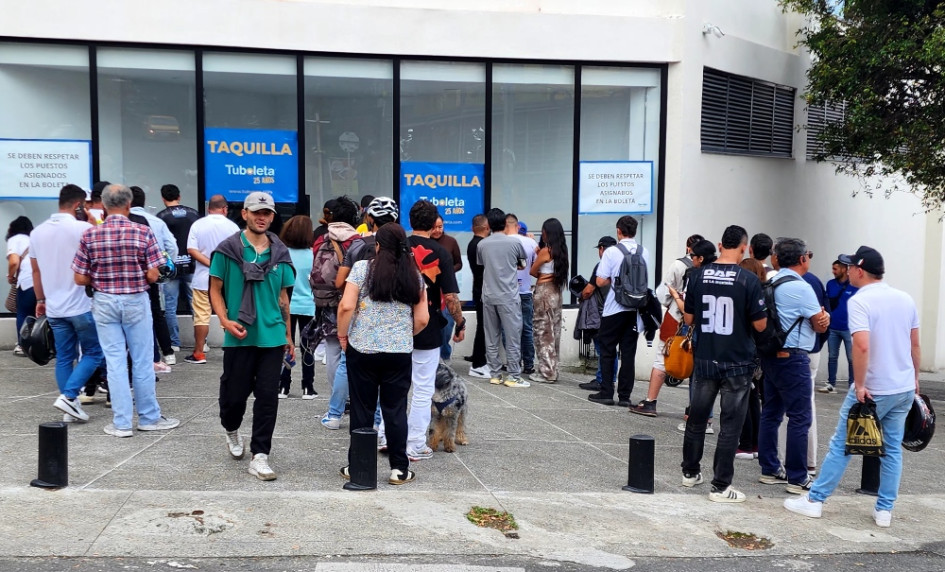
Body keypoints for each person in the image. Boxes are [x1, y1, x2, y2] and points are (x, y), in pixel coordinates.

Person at [785, 246, 919, 528]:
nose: (846, 271)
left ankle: (815, 500)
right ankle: (884, 510)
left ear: (859, 270)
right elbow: (914, 344)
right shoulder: (905, 299)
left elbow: (861, 345)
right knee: (892, 449)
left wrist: (859, 385)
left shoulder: (860, 301)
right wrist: (915, 380)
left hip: (873, 388)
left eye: (849, 267)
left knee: (842, 444)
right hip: (903, 386)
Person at [72, 183, 180, 438]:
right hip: (135, 300)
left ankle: (121, 423)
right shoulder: (142, 231)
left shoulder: (90, 235)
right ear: (129, 204)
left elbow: (79, 277)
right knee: (142, 361)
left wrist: (101, 277)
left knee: (114, 362)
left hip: (104, 301)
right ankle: (149, 417)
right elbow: (153, 274)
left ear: (103, 205)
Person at [210, 191, 295, 481]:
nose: (262, 217)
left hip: (272, 335)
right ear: (244, 213)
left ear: (272, 217)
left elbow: (283, 297)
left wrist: (288, 335)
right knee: (234, 396)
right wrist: (224, 320)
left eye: (267, 213)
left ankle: (260, 455)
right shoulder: (228, 250)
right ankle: (231, 429)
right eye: (256, 212)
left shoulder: (280, 253)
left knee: (268, 397)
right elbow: (215, 289)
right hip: (239, 334)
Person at [678, 225, 767, 503]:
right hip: (737, 360)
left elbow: (689, 319)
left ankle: (690, 472)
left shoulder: (698, 275)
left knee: (697, 418)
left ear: (719, 245)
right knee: (730, 425)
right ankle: (720, 486)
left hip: (706, 356)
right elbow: (760, 325)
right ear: (744, 247)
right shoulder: (748, 280)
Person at [337, 223, 429, 486]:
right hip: (398, 353)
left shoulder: (362, 269)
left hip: (362, 349)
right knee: (395, 409)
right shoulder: (414, 275)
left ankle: (358, 466)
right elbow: (423, 319)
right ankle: (399, 468)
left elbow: (346, 306)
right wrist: (402, 335)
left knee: (362, 409)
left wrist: (343, 335)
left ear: (377, 245)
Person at [386, 200, 465, 460]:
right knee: (422, 389)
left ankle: (386, 437)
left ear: (409, 221)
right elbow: (450, 296)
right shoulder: (441, 252)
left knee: (392, 386)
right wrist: (460, 323)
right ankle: (415, 444)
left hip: (395, 324)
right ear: (434, 224)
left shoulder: (397, 247)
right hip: (428, 326)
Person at [757, 238, 830, 495]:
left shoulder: (770, 283)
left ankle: (769, 469)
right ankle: (798, 477)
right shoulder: (802, 287)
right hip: (794, 357)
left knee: (771, 413)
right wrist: (825, 318)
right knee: (800, 417)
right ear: (802, 259)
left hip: (771, 356)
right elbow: (819, 324)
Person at [322, 196, 400, 430]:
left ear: (369, 218)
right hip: (391, 320)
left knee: (346, 364)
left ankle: (334, 414)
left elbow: (339, 282)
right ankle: (376, 420)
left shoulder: (357, 245)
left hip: (359, 315)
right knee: (384, 373)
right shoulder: (401, 247)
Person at [30, 184, 104, 423]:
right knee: (94, 352)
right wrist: (94, 221)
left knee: (64, 357)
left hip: (54, 306)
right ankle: (69, 396)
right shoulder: (83, 228)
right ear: (79, 205)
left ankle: (69, 407)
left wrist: (41, 299)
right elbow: (103, 246)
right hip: (81, 304)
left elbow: (36, 271)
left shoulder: (37, 232)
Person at [629, 233, 704, 416]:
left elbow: (663, 295)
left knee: (662, 358)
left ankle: (650, 402)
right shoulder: (710, 269)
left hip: (676, 317)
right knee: (696, 365)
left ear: (688, 248)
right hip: (701, 323)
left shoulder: (678, 265)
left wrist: (676, 298)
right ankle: (694, 409)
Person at [588, 216, 649, 406]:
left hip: (614, 309)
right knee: (628, 354)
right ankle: (625, 396)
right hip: (635, 310)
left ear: (618, 231)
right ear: (635, 231)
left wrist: (614, 279)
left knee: (608, 351)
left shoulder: (611, 252)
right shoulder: (644, 251)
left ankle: (606, 392)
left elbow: (600, 281)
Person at [185, 195, 239, 364]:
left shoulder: (197, 225)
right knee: (227, 315)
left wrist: (211, 264)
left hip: (202, 279)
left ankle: (199, 353)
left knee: (201, 316)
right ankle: (232, 351)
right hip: (226, 279)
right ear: (224, 209)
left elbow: (191, 250)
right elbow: (239, 253)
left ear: (209, 209)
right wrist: (220, 266)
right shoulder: (233, 227)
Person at [477, 208, 528, 387]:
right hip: (508, 296)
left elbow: (482, 264)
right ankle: (513, 376)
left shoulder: (482, 244)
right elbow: (522, 264)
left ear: (489, 225)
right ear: (505, 223)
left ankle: (495, 374)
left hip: (489, 295)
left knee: (491, 337)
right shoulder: (514, 242)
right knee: (513, 337)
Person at [130, 186, 178, 373]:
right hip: (152, 274)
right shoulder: (156, 221)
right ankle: (167, 352)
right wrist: (164, 268)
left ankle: (144, 357)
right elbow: (172, 246)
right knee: (156, 312)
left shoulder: (121, 221)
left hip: (128, 280)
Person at [156, 183, 200, 353]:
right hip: (192, 265)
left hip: (171, 268)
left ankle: (174, 343)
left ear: (163, 198)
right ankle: (201, 342)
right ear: (179, 196)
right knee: (196, 305)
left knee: (170, 306)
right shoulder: (193, 214)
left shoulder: (161, 217)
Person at [278, 215, 316, 399]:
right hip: (308, 305)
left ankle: (283, 386)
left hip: (286, 305)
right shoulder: (313, 255)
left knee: (286, 344)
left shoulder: (282, 253)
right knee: (308, 347)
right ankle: (308, 387)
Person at [734, 257, 767, 460]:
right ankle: (755, 443)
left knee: (742, 399)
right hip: (760, 353)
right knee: (753, 398)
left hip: (745, 352)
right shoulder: (764, 293)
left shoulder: (746, 294)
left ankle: (745, 444)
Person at [528, 218, 569, 383]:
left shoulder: (546, 251)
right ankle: (553, 369)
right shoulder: (562, 252)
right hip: (556, 292)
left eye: (543, 231)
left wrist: (542, 272)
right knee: (554, 331)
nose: (542, 234)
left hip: (544, 292)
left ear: (548, 233)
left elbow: (532, 271)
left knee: (543, 332)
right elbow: (555, 273)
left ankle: (546, 372)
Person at [578, 236, 618, 392]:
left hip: (602, 313)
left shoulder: (602, 266)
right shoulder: (620, 264)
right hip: (618, 311)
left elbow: (589, 290)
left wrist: (581, 296)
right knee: (611, 349)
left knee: (602, 349)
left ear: (602, 249)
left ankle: (602, 380)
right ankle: (610, 379)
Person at [506, 213, 538, 375]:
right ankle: (529, 364)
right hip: (525, 291)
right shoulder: (531, 243)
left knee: (508, 329)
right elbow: (537, 267)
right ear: (517, 226)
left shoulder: (502, 242)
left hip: (507, 292)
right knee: (527, 329)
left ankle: (514, 363)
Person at [819, 259, 857, 393]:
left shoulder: (854, 286)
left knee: (852, 358)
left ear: (844, 269)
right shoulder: (830, 284)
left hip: (849, 328)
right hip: (833, 327)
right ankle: (831, 384)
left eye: (835, 269)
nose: (833, 272)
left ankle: (852, 385)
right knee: (832, 356)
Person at [431, 214, 463, 361]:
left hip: (447, 290)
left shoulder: (451, 241)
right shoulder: (425, 242)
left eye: (440, 227)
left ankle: (444, 357)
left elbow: (459, 263)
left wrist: (447, 270)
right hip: (430, 291)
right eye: (434, 227)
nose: (437, 230)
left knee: (447, 325)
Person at [465, 214, 490, 379]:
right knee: (484, 326)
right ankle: (478, 364)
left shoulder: (473, 244)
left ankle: (478, 359)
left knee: (483, 326)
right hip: (483, 289)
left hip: (478, 288)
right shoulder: (481, 245)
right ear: (486, 227)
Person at [6, 215, 35, 355]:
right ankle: (41, 344)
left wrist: (10, 276)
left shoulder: (15, 239)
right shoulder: (34, 239)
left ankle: (23, 346)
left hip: (27, 281)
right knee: (39, 313)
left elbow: (14, 262)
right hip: (43, 280)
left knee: (23, 312)